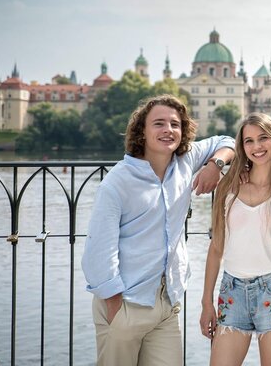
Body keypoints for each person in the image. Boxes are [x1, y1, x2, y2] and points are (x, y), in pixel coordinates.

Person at [82, 94, 235, 366]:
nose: (168, 130)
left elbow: (227, 142)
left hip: (166, 305)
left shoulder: (186, 162)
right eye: (159, 123)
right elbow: (98, 251)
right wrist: (115, 306)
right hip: (125, 303)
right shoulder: (117, 182)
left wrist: (215, 165)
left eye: (175, 124)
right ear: (142, 131)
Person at [199, 113, 271, 366]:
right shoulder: (229, 186)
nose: (257, 146)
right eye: (249, 141)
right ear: (242, 147)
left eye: (263, 138)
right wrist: (206, 302)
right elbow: (216, 247)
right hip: (232, 291)